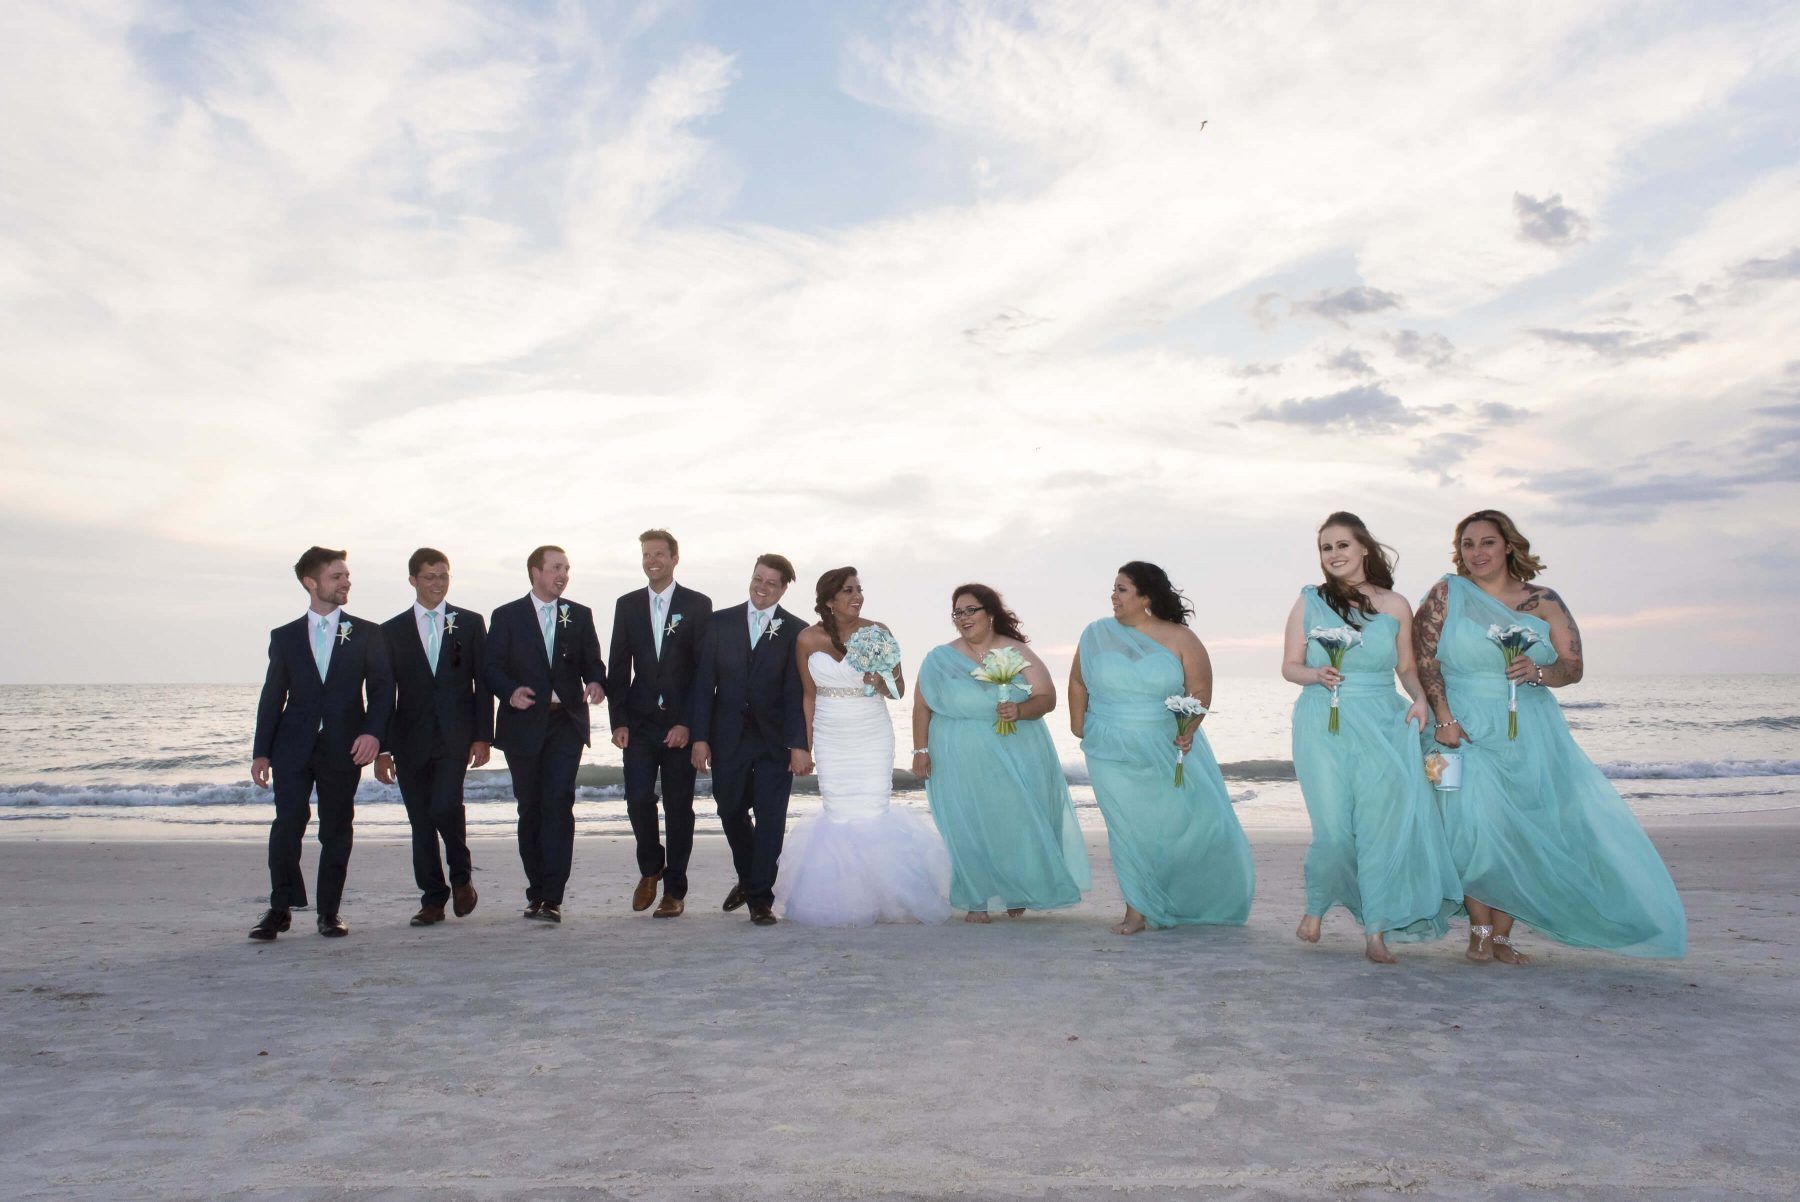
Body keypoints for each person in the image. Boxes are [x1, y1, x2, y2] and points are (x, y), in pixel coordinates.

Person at [1415, 509, 1686, 962]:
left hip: (1531, 732)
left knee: (1521, 827)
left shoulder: (1545, 601)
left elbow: (1572, 669)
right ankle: (1478, 929)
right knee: (1462, 825)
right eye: (1467, 544)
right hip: (1453, 731)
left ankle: (1501, 936)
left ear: (1508, 546)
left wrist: (1538, 672)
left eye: (1487, 542)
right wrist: (1443, 717)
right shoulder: (1446, 593)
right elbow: (1424, 659)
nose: (1476, 552)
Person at [1280, 514, 1460, 963]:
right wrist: (1315, 674)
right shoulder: (1309, 602)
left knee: (1380, 826)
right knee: (1334, 830)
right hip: (1323, 719)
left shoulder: (1395, 605)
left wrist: (1419, 700)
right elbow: (1289, 666)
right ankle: (1318, 904)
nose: (1334, 554)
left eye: (1343, 545)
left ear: (1364, 549)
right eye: (1326, 548)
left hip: (1383, 720)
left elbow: (1406, 668)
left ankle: (1376, 929)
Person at [1069, 561, 1253, 935]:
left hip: (1165, 745)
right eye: (1113, 589)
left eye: (1121, 589)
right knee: (1126, 827)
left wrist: (1190, 728)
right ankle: (1136, 908)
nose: (1113, 596)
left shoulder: (1180, 638)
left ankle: (1187, 897)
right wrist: (1079, 726)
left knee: (1176, 827)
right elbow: (1076, 681)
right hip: (1107, 746)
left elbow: (1200, 692)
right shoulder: (1095, 634)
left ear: (1145, 597)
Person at [775, 567, 950, 926]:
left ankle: (886, 897)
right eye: (847, 590)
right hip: (830, 733)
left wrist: (879, 681)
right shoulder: (808, 639)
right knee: (838, 811)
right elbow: (808, 696)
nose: (857, 596)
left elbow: (899, 689)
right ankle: (845, 899)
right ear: (829, 600)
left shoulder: (878, 632)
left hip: (871, 731)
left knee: (873, 809)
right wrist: (803, 746)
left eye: (858, 589)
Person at [911, 583, 1089, 922]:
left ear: (990, 613)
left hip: (1013, 753)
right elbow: (921, 706)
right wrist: (921, 750)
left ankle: (1016, 890)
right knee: (965, 823)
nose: (963, 618)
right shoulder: (939, 658)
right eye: (957, 612)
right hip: (955, 756)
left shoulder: (1014, 651)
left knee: (1012, 821)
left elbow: (1047, 697)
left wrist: (1020, 712)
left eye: (970, 610)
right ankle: (975, 899)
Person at [249, 546, 393, 940]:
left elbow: (382, 691)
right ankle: (280, 909)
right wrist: (261, 750)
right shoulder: (284, 637)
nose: (346, 582)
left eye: (347, 576)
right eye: (337, 577)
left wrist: (374, 735)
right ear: (310, 583)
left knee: (336, 829)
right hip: (291, 746)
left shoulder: (368, 632)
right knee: (287, 824)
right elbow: (272, 695)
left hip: (344, 747)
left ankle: (329, 912)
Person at [689, 554, 812, 926]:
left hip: (775, 740)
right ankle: (749, 876)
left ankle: (760, 897)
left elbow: (796, 692)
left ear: (784, 589)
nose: (761, 587)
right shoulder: (719, 622)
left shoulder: (796, 630)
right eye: (758, 578)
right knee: (729, 808)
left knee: (772, 817)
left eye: (771, 583)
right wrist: (700, 737)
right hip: (727, 737)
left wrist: (799, 744)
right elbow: (702, 683)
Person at [485, 545, 606, 924]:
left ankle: (552, 897)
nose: (563, 574)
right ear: (535, 572)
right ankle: (535, 891)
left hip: (565, 723)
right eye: (556, 567)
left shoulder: (580, 614)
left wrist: (598, 683)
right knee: (530, 808)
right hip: (522, 725)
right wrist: (510, 691)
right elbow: (490, 667)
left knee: (558, 805)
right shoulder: (506, 616)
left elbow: (594, 663)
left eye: (567, 568)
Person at [375, 548, 492, 927]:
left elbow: (482, 684)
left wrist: (482, 737)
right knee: (421, 822)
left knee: (445, 805)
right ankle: (432, 898)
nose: (438, 583)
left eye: (443, 576)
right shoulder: (390, 631)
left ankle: (462, 877)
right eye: (429, 576)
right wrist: (383, 748)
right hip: (409, 740)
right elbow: (383, 693)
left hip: (454, 738)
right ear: (413, 580)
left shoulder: (470, 623)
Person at [607, 529, 713, 919]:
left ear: (674, 559)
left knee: (679, 808)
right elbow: (618, 666)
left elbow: (705, 672)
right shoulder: (627, 604)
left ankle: (675, 890)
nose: (652, 560)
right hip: (638, 722)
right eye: (646, 554)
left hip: (679, 726)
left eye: (659, 554)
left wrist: (689, 724)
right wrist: (618, 720)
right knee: (637, 798)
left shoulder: (698, 605)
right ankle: (650, 868)